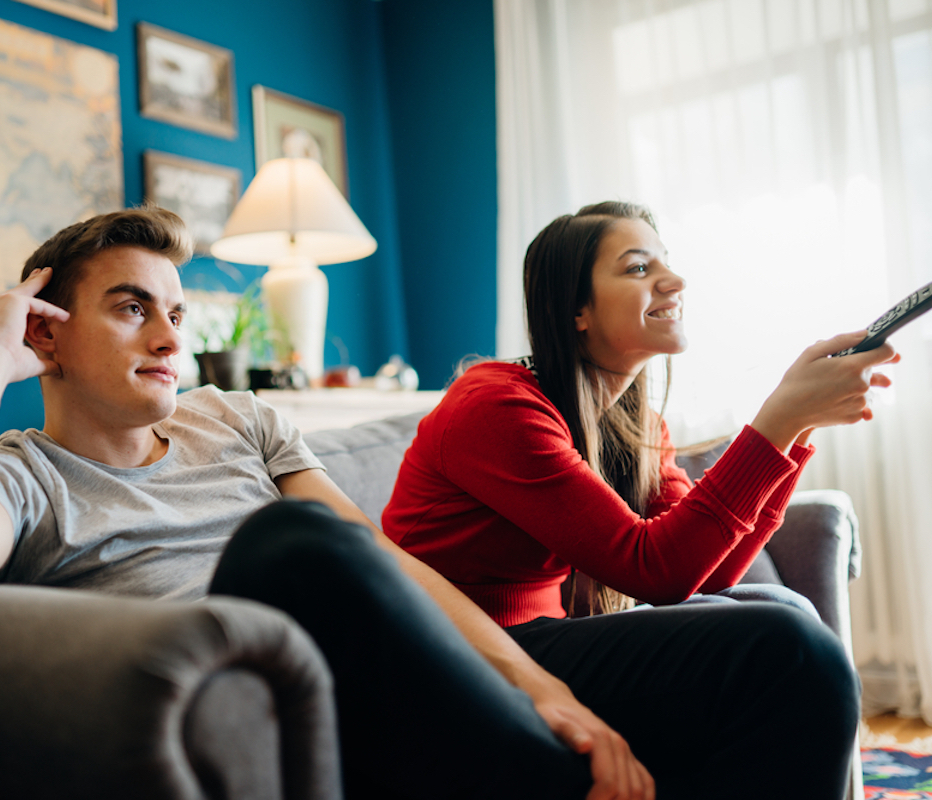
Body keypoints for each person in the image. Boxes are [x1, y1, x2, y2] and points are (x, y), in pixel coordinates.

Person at [0, 206, 651, 800]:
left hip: (378, 675)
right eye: (131, 308)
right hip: (270, 707)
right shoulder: (24, 478)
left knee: (773, 640)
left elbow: (385, 567)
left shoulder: (237, 417)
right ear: (43, 336)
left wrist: (535, 683)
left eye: (176, 314)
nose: (168, 339)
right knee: (294, 542)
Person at [383, 201, 895, 798]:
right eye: (636, 268)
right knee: (792, 652)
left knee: (782, 609)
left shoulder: (636, 426)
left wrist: (797, 432)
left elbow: (710, 575)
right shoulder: (495, 408)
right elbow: (655, 570)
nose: (673, 282)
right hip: (455, 663)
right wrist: (776, 425)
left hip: (534, 644)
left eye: (667, 264)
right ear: (575, 309)